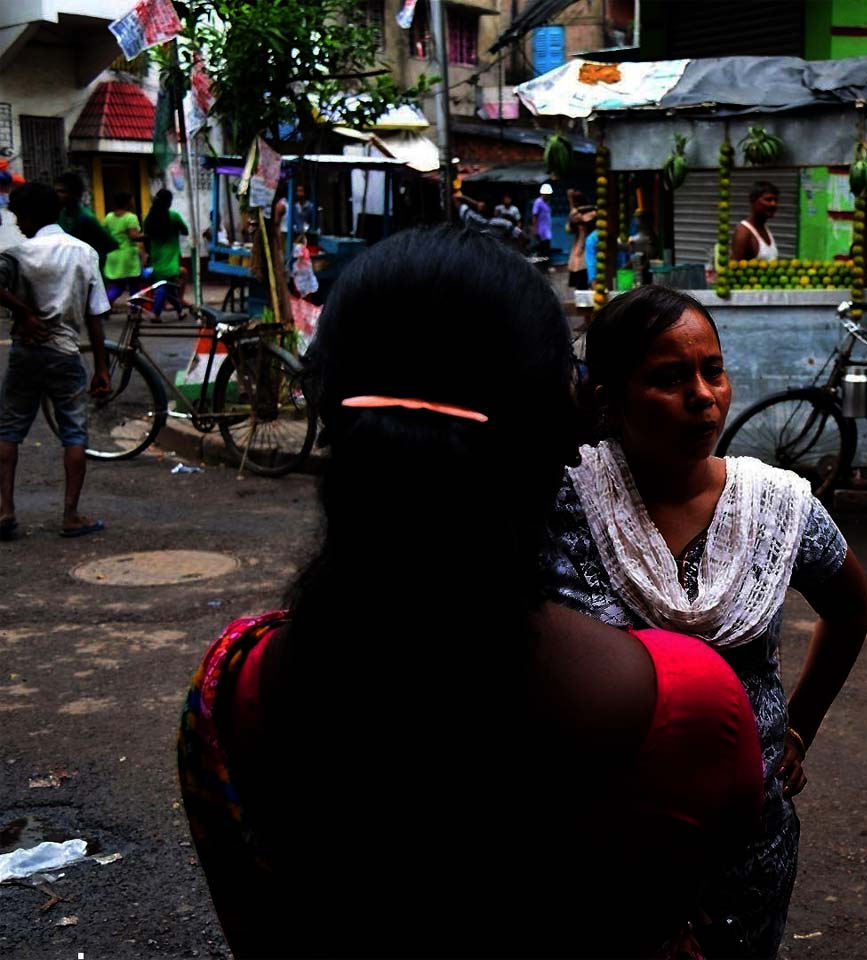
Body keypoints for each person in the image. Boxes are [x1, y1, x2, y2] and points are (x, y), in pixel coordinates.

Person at [177, 226, 766, 958]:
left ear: (324, 407)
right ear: (567, 422)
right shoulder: (692, 707)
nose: (703, 398)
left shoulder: (230, 693)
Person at [545, 285, 867, 957]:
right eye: (669, 379)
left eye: (712, 370)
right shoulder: (563, 502)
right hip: (602, 851)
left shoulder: (773, 506)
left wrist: (797, 728)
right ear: (609, 397)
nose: (704, 395)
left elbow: (848, 605)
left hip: (746, 851)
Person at [0, 182, 111, 542]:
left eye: (19, 216)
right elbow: (96, 316)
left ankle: (6, 510)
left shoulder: (19, 253)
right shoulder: (84, 252)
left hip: (26, 352)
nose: (17, 223)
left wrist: (24, 313)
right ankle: (70, 515)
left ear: (31, 216)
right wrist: (103, 367)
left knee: (9, 429)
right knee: (74, 433)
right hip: (66, 353)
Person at [140, 189, 189, 321]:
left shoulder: (149, 218)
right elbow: (185, 231)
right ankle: (156, 313)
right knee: (164, 286)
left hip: (156, 255)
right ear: (169, 202)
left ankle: (179, 312)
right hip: (171, 256)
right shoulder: (173, 216)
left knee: (166, 285)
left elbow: (146, 236)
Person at [53, 172, 116, 273]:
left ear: (75, 194)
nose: (58, 195)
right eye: (56, 191)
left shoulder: (86, 217)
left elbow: (110, 244)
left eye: (62, 191)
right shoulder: (61, 214)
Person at [101, 191, 144, 307]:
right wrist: (148, 235)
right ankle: (134, 312)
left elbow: (105, 233)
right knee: (134, 286)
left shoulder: (109, 217)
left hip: (113, 255)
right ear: (127, 203)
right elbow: (134, 236)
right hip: (128, 257)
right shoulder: (131, 218)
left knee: (117, 286)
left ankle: (104, 307)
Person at [729, 180, 781, 263]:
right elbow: (734, 270)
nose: (773, 204)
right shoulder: (743, 232)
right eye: (768, 199)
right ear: (753, 200)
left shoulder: (764, 227)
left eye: (775, 200)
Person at [567, 189, 598, 287]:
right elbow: (569, 229)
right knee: (578, 283)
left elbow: (586, 218)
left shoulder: (592, 212)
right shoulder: (575, 214)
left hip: (587, 248)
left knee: (586, 274)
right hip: (578, 248)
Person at [530, 184, 554, 258]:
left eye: (548, 194)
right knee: (542, 248)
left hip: (546, 229)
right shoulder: (538, 202)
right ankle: (543, 265)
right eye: (546, 194)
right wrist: (535, 230)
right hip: (540, 230)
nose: (547, 195)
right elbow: (534, 216)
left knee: (546, 248)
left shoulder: (547, 202)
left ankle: (545, 265)